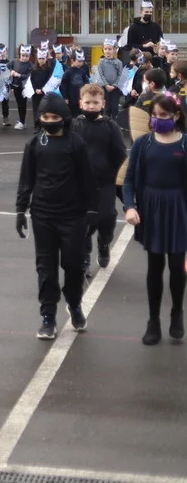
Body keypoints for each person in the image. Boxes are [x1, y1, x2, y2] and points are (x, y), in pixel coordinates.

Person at [16, 95, 98, 340]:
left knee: (73, 265)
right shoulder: (34, 144)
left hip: (73, 215)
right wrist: (20, 209)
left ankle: (74, 302)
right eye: (45, 117)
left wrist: (92, 209)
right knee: (45, 267)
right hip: (43, 214)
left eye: (54, 117)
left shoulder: (76, 144)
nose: (50, 121)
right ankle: (48, 315)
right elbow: (26, 179)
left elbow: (87, 179)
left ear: (64, 118)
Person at [123, 94, 187, 345]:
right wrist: (130, 206)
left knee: (177, 267)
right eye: (155, 115)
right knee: (155, 266)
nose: (158, 120)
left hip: (178, 208)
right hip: (151, 209)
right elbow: (129, 178)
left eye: (164, 115)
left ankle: (177, 313)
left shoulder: (184, 144)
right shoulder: (143, 144)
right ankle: (153, 320)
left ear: (176, 116)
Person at [73, 84, 126, 276]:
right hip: (80, 185)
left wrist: (123, 188)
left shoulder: (110, 127)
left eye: (95, 103)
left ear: (103, 104)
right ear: (80, 103)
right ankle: (85, 257)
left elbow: (120, 156)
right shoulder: (74, 126)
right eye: (87, 102)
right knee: (82, 222)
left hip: (105, 182)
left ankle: (104, 243)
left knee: (106, 218)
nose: (91, 106)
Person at [92, 38, 125, 117]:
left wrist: (115, 85)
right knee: (106, 107)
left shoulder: (118, 62)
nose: (107, 51)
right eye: (105, 49)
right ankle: (105, 122)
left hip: (115, 88)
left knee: (114, 108)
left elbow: (120, 75)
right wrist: (106, 85)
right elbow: (100, 74)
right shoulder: (101, 62)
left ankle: (114, 122)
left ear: (114, 50)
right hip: (104, 88)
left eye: (110, 49)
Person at [9, 45, 34, 130]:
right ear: (20, 54)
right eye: (23, 55)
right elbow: (8, 66)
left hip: (24, 87)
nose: (24, 58)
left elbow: (28, 76)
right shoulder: (15, 61)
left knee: (22, 104)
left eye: (26, 56)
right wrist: (11, 71)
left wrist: (18, 75)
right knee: (19, 104)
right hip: (16, 86)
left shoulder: (30, 65)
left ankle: (22, 121)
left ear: (29, 56)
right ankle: (21, 120)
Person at [61, 49, 90, 118]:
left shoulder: (82, 71)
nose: (81, 63)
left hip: (81, 98)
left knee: (82, 115)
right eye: (79, 61)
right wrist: (65, 97)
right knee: (73, 116)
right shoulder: (68, 72)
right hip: (71, 99)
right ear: (72, 60)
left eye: (82, 61)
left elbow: (86, 82)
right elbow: (63, 86)